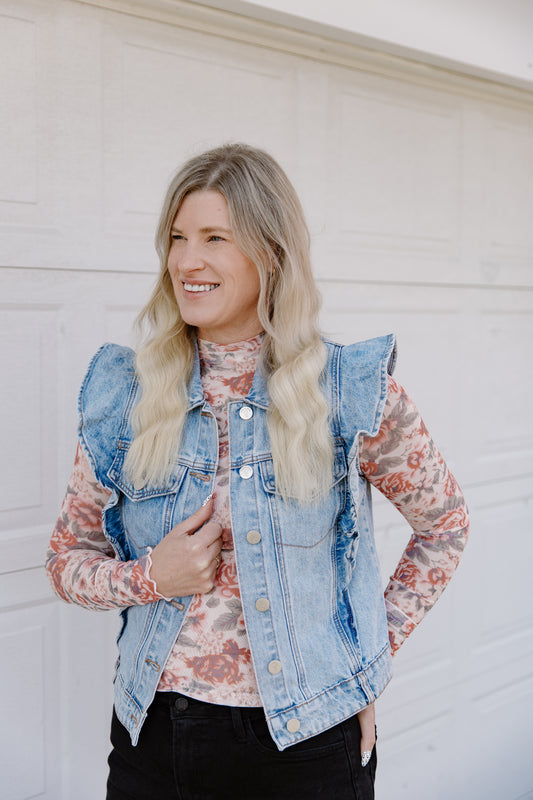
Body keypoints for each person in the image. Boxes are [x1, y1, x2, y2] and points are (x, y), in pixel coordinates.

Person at [46, 142, 469, 800]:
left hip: (305, 750)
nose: (187, 260)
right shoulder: (125, 393)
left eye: (214, 238)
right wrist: (149, 577)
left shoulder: (347, 391)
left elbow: (444, 526)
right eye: (178, 237)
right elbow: (66, 559)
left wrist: (361, 667)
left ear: (270, 252)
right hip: (153, 740)